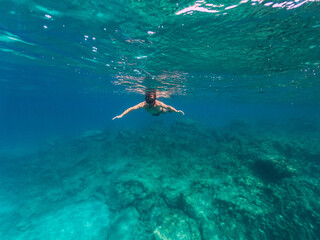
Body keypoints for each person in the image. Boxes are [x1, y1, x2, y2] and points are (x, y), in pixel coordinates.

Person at [112, 90, 184, 120]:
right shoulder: (142, 104)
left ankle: (169, 111)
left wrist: (176, 111)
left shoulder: (158, 103)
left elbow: (168, 106)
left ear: (155, 97)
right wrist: (121, 115)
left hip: (160, 111)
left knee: (166, 110)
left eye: (151, 97)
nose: (149, 98)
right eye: (147, 97)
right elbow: (131, 109)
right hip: (153, 113)